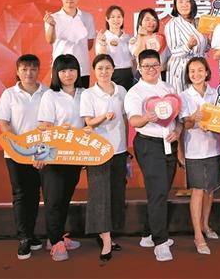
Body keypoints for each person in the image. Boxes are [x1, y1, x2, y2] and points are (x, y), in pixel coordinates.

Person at [124, 49, 182, 262]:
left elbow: (178, 118)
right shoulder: (135, 92)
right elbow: (134, 121)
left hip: (169, 144)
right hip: (148, 144)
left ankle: (148, 234)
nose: (151, 69)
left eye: (155, 65)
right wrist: (147, 117)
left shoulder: (168, 88)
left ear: (160, 66)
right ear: (139, 68)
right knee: (157, 191)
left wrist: (178, 132)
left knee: (162, 190)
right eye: (146, 66)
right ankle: (160, 242)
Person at [0, 54, 48, 260]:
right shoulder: (9, 94)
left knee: (34, 194)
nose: (29, 73)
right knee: (20, 194)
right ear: (17, 71)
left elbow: (51, 124)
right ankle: (24, 237)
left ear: (38, 70)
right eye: (24, 69)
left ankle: (31, 233)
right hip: (15, 153)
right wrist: (19, 145)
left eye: (33, 69)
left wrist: (40, 150)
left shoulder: (47, 93)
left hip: (41, 154)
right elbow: (3, 123)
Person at [80, 54, 129, 262]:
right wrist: (103, 117)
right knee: (99, 194)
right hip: (97, 151)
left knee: (116, 193)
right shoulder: (88, 94)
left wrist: (126, 147)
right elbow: (88, 122)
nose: (104, 72)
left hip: (119, 149)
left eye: (108, 68)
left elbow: (126, 119)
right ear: (94, 70)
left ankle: (108, 233)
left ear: (114, 69)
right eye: (100, 68)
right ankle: (106, 240)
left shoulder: (121, 91)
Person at [37, 54, 85, 261]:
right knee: (54, 199)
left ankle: (56, 236)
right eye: (63, 70)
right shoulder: (50, 96)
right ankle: (55, 242)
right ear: (56, 73)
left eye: (72, 70)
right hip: (54, 156)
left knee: (65, 197)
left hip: (75, 156)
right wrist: (42, 153)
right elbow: (44, 126)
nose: (68, 74)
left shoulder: (85, 94)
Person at [178, 57, 220, 255]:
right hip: (194, 150)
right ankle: (198, 235)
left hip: (214, 148)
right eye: (192, 71)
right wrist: (193, 118)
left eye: (200, 70)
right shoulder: (183, 96)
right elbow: (186, 125)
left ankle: (205, 225)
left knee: (210, 190)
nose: (196, 74)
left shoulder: (217, 93)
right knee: (197, 191)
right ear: (188, 75)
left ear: (207, 72)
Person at [43, 0, 95, 88]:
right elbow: (50, 40)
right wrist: (52, 25)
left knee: (82, 97)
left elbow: (89, 44)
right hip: (60, 69)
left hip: (82, 69)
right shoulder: (53, 18)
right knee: (58, 97)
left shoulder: (87, 17)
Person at [165, 0, 209, 92]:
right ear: (175, 6)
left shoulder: (198, 22)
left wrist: (209, 41)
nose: (184, 5)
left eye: (187, 1)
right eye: (180, 2)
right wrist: (188, 46)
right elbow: (174, 51)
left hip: (198, 67)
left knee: (199, 97)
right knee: (182, 99)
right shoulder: (173, 24)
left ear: (192, 3)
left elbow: (203, 48)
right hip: (181, 68)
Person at [96, 5, 134, 91]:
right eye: (112, 17)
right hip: (111, 74)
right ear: (107, 19)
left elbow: (133, 59)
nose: (116, 20)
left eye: (119, 17)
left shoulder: (128, 37)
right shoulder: (103, 37)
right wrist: (103, 43)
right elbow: (101, 59)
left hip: (128, 74)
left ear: (123, 19)